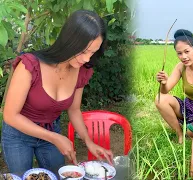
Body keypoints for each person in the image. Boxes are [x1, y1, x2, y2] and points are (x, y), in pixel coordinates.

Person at [1, 10, 113, 173]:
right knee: (21, 176)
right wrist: (55, 138)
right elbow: (10, 115)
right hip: (19, 134)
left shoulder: (82, 69)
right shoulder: (30, 65)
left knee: (58, 174)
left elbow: (74, 109)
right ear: (69, 42)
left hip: (51, 129)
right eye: (83, 51)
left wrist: (88, 141)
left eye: (93, 52)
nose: (87, 59)